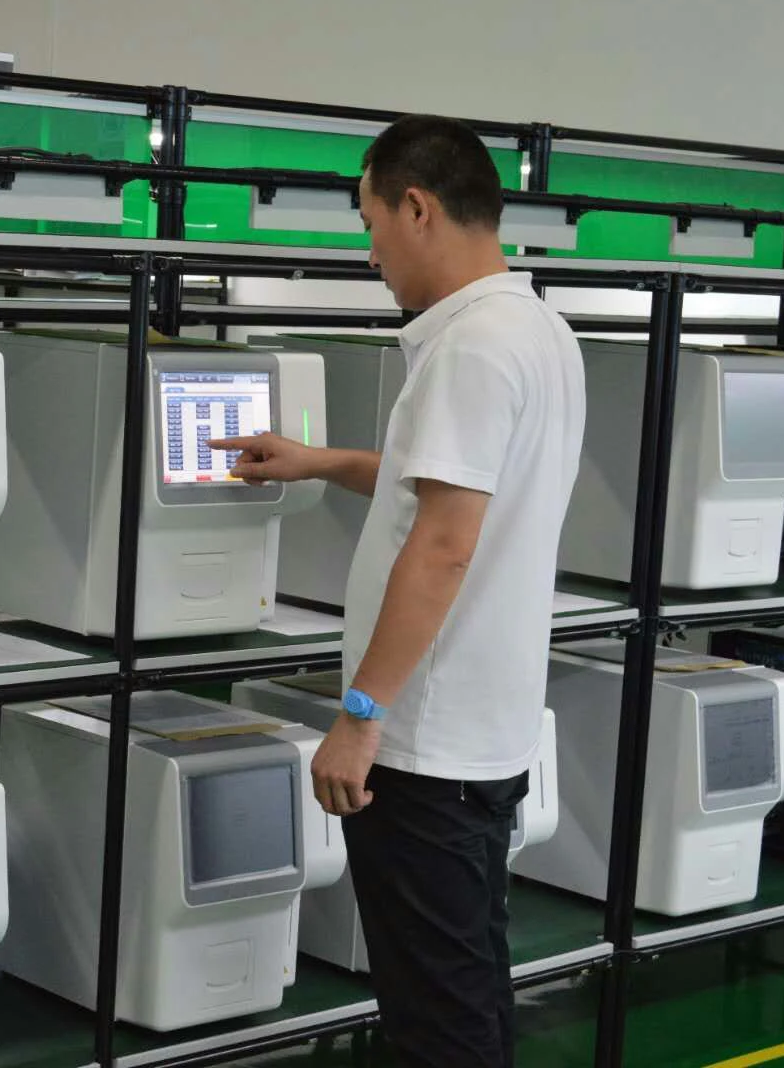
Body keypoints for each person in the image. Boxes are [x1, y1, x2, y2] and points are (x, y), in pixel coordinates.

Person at [210, 114, 585, 1067]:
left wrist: (361, 715)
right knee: (469, 989)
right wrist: (319, 461)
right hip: (482, 736)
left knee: (435, 1024)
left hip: (425, 747)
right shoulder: (535, 328)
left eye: (370, 222)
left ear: (417, 208)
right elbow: (451, 485)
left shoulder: (471, 348)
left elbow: (445, 545)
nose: (370, 252)